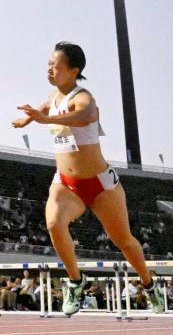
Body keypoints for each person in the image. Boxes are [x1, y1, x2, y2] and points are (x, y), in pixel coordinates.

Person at [13, 42, 164, 315]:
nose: (49, 69)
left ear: (74, 71)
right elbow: (45, 108)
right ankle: (75, 281)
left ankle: (149, 284)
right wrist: (29, 120)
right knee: (53, 223)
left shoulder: (83, 98)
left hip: (100, 185)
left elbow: (85, 116)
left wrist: (45, 120)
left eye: (55, 66)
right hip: (66, 184)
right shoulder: (53, 97)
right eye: (48, 64)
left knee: (124, 241)